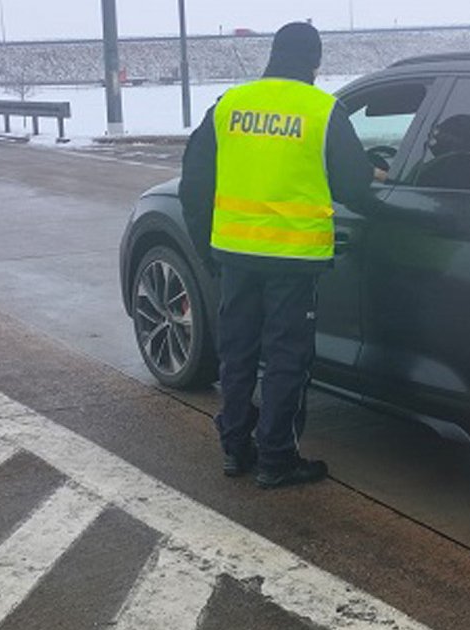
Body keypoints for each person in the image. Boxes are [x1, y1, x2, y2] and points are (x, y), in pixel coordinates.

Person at [179, 21, 377, 489]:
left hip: (235, 254)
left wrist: (210, 249)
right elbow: (353, 185)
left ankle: (234, 449)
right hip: (292, 257)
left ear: (272, 54)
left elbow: (194, 184)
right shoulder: (322, 110)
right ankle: (277, 458)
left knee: (238, 353)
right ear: (315, 61)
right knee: (287, 357)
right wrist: (371, 172)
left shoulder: (229, 105)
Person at [411, 114, 470, 191]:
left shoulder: (462, 165)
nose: (433, 136)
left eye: (439, 132)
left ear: (458, 138)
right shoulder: (462, 163)